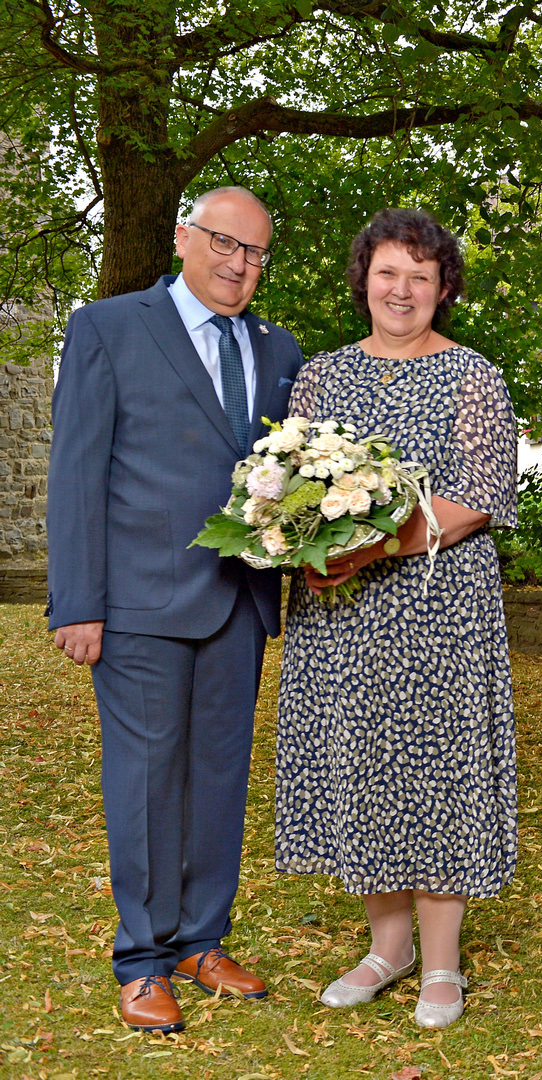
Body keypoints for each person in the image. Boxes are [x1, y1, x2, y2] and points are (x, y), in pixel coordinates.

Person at [46, 186, 303, 1032]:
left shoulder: (278, 350)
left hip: (241, 603)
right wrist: (77, 602)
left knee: (220, 780)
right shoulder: (109, 328)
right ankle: (143, 959)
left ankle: (201, 939)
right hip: (139, 605)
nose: (240, 264)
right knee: (147, 782)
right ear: (185, 237)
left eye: (257, 253)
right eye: (226, 244)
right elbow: (78, 472)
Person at [275, 208, 519, 1030]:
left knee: (436, 768)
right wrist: (303, 543)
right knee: (366, 764)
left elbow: (480, 497)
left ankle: (442, 962)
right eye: (388, 272)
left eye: (420, 275)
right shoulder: (320, 377)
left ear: (444, 287)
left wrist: (375, 547)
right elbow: (293, 484)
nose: (402, 289)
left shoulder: (473, 375)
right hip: (339, 612)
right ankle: (388, 948)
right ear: (364, 281)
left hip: (437, 607)